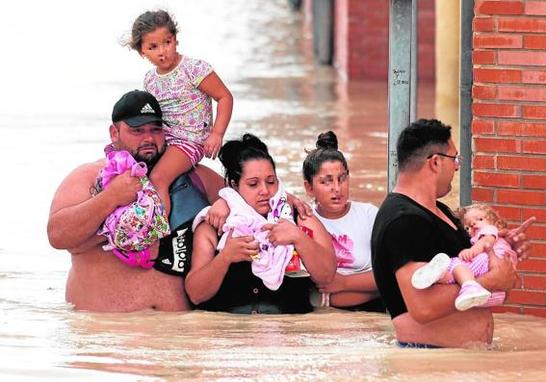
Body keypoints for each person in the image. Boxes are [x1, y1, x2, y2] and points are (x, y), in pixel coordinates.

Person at [47, 90, 225, 312]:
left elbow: (263, 200)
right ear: (115, 132)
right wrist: (110, 198)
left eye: (155, 130)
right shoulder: (89, 176)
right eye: (137, 131)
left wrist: (225, 204)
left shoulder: (196, 177)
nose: (148, 138)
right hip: (105, 334)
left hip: (179, 336)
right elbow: (57, 235)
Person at [371, 119, 533, 348]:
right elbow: (422, 307)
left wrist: (503, 249)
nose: (457, 166)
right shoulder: (404, 221)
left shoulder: (441, 212)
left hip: (458, 360)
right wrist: (490, 281)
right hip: (429, 360)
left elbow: (471, 267)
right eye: (454, 158)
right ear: (436, 162)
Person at [185, 134, 337, 314]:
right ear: (234, 186)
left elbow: (327, 276)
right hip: (229, 334)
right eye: (253, 184)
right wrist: (225, 258)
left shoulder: (298, 216)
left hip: (290, 332)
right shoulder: (214, 225)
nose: (265, 191)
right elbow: (195, 294)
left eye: (271, 182)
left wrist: (299, 238)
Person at [124, 9, 234, 217]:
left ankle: (157, 230)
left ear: (175, 39)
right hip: (166, 139)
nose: (162, 51)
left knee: (158, 178)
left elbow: (225, 97)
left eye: (167, 42)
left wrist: (217, 134)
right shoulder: (150, 79)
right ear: (142, 51)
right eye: (153, 47)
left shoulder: (194, 69)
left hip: (190, 139)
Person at [302, 131, 384, 312]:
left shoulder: (368, 215)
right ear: (309, 187)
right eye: (326, 182)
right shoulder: (304, 221)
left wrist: (344, 283)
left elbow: (392, 274)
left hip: (372, 311)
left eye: (342, 179)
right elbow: (315, 294)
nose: (337, 189)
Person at [411, 203, 535, 311]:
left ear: (496, 223)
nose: (474, 224)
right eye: (468, 227)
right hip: (496, 296)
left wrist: (472, 251)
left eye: (480, 219)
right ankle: (445, 278)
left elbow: (486, 242)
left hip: (486, 265)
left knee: (456, 264)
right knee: (459, 273)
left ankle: (442, 276)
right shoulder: (500, 237)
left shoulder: (489, 231)